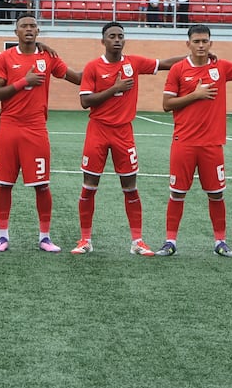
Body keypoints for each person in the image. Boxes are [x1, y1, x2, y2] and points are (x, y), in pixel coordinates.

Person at [72, 23, 179, 256]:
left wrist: (194, 57)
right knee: (89, 186)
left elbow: (164, 64)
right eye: (112, 36)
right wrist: (115, 88)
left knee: (130, 188)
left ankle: (137, 241)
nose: (117, 40)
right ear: (103, 41)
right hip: (98, 131)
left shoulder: (134, 63)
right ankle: (85, 239)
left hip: (124, 133)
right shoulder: (93, 67)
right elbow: (85, 101)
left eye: (121, 36)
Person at [0, 15, 81, 252]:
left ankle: (45, 237)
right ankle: (2, 236)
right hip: (9, 127)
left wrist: (106, 74)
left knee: (42, 185)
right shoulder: (4, 58)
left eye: (32, 26)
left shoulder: (48, 57)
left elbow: (78, 78)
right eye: (24, 26)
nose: (28, 29)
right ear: (16, 31)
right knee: (4, 184)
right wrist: (24, 81)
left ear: (38, 31)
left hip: (36, 129)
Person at [160, 24, 232, 257]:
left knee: (216, 194)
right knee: (177, 193)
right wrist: (195, 95)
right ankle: (170, 242)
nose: (200, 45)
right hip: (184, 142)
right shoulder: (178, 70)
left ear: (211, 43)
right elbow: (167, 105)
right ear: (188, 44)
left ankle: (220, 242)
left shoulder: (222, 67)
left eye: (204, 41)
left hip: (212, 144)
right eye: (196, 41)